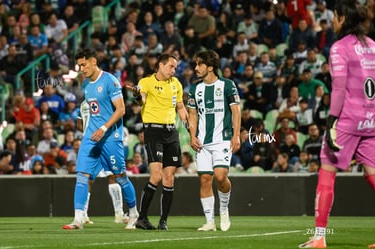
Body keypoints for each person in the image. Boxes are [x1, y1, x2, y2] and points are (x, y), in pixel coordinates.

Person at [299, 0, 375, 249]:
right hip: (372, 119)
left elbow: (338, 89)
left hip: (347, 119)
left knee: (327, 173)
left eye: (336, 16)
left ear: (343, 18)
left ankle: (319, 236)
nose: (333, 21)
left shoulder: (339, 48)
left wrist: (331, 122)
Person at [62, 48, 138, 230]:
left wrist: (104, 128)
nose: (81, 68)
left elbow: (121, 110)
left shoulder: (110, 81)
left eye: (84, 64)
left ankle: (134, 213)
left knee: (120, 176)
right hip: (91, 136)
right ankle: (78, 219)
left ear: (94, 61)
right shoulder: (86, 85)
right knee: (81, 175)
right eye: (79, 65)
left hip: (111, 136)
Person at [127, 53, 188, 230]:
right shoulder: (146, 82)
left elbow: (180, 107)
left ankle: (163, 221)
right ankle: (142, 217)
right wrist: (138, 95)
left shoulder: (176, 84)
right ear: (160, 65)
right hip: (154, 131)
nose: (173, 70)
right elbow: (142, 100)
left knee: (169, 179)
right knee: (156, 175)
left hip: (171, 132)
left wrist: (189, 127)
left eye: (175, 67)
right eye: (171, 66)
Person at [188, 50, 241, 232]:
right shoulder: (195, 89)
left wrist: (236, 135)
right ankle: (210, 221)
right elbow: (192, 115)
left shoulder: (227, 85)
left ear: (210, 67)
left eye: (199, 64)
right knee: (204, 179)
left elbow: (235, 111)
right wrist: (192, 135)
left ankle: (224, 208)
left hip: (222, 140)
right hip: (202, 141)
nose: (196, 68)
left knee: (220, 177)